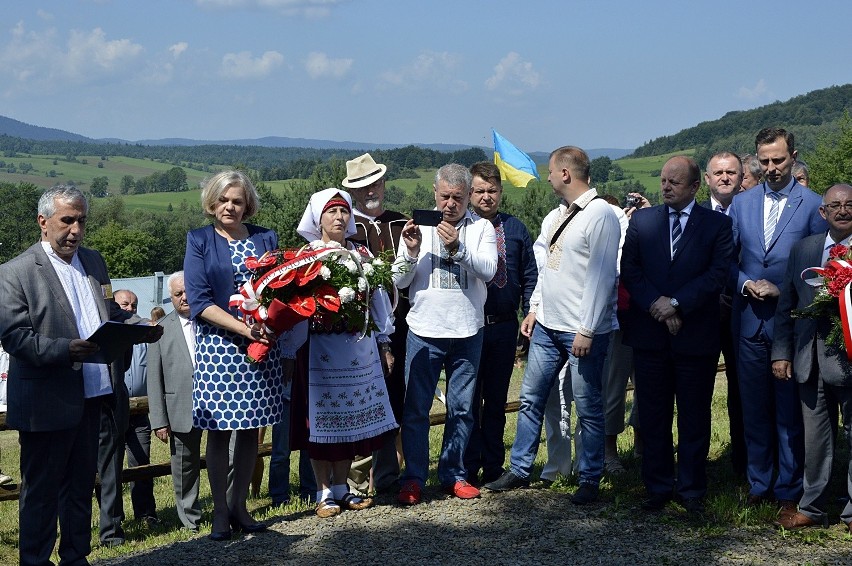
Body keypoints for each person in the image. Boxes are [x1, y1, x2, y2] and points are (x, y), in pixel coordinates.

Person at [0, 184, 161, 566]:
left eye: (81, 221)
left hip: (97, 396)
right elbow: (14, 337)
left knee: (79, 486)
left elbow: (110, 314)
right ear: (43, 222)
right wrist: (64, 349)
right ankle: (35, 561)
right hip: (47, 401)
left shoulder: (94, 261)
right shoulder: (15, 272)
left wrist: (139, 326)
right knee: (40, 491)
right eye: (66, 221)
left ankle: (76, 556)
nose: (75, 230)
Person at [485, 146, 620, 505]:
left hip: (581, 329)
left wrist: (588, 329)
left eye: (550, 171)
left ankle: (590, 476)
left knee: (589, 406)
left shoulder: (600, 215)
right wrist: (534, 308)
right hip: (547, 325)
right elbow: (547, 270)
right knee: (530, 398)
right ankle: (520, 468)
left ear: (565, 174)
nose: (546, 177)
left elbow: (603, 277)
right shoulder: (556, 215)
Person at [621, 156, 734, 514]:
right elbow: (630, 270)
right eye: (663, 180)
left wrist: (676, 304)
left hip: (695, 334)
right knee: (653, 415)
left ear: (695, 187)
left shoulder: (716, 226)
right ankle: (657, 487)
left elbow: (717, 274)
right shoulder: (642, 221)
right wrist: (657, 304)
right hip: (651, 336)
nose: (665, 187)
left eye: (674, 182)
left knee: (694, 416)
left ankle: (691, 490)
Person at [184, 170, 286, 540]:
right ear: (212, 202)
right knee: (219, 431)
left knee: (250, 430)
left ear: (247, 206)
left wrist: (271, 324)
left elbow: (280, 289)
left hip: (262, 347)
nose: (230, 206)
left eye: (237, 201)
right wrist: (244, 329)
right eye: (224, 200)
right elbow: (199, 301)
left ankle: (240, 504)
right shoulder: (199, 240)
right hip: (219, 348)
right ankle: (220, 512)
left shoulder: (265, 238)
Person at [729, 127, 827, 510]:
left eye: (779, 160)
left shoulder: (813, 204)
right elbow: (727, 260)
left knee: (789, 413)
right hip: (749, 320)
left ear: (793, 155)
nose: (771, 168)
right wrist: (744, 283)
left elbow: (821, 271)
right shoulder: (741, 204)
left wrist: (781, 291)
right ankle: (758, 483)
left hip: (791, 327)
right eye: (764, 161)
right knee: (753, 407)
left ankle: (789, 489)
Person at [393, 163, 497, 505]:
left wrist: (458, 249)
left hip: (468, 331)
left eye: (457, 197)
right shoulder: (418, 229)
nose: (450, 204)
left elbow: (489, 271)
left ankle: (454, 474)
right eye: (444, 197)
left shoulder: (481, 228)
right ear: (434, 194)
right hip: (424, 330)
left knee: (463, 408)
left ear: (468, 196)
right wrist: (409, 252)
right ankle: (414, 477)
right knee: (416, 409)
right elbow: (399, 281)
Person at [290, 188, 398, 517]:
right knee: (321, 423)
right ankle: (323, 492)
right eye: (331, 212)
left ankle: (342, 488)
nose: (339, 218)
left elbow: (378, 302)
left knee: (350, 420)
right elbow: (295, 307)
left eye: (343, 212)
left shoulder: (361, 253)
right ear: (317, 218)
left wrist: (384, 343)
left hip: (357, 349)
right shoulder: (307, 257)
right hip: (319, 350)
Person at [772, 183, 852, 533]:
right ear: (823, 213)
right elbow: (786, 305)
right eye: (835, 205)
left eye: (850, 204)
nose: (843, 210)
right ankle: (813, 508)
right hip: (808, 361)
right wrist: (781, 353)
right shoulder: (804, 249)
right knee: (816, 440)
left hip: (849, 361)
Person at [463, 161, 537, 485]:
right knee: (467, 399)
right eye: (479, 190)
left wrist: (530, 311)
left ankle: (493, 465)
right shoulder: (460, 228)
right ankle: (466, 467)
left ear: (501, 192)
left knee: (495, 400)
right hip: (470, 325)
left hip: (505, 326)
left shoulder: (517, 229)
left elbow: (530, 275)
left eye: (492, 190)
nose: (486, 196)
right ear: (469, 193)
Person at [342, 152, 410, 493]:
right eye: (362, 186)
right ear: (353, 192)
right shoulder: (346, 229)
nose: (371, 190)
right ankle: (355, 481)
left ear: (383, 184)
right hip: (362, 329)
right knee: (363, 399)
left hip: (406, 324)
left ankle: (389, 476)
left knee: (398, 397)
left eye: (375, 183)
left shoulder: (402, 223)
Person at [147, 272, 204, 531]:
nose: (184, 297)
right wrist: (159, 420)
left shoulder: (211, 321)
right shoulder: (160, 331)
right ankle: (190, 517)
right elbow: (154, 378)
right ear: (170, 298)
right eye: (177, 294)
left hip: (216, 405)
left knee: (226, 459)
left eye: (187, 291)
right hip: (180, 408)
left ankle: (228, 509)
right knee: (185, 466)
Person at [702, 152, 747, 476]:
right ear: (707, 178)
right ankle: (698, 466)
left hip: (743, 312)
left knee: (741, 390)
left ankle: (742, 463)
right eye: (718, 172)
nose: (725, 177)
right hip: (701, 315)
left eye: (731, 172)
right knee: (697, 391)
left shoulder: (751, 213)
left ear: (741, 177)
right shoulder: (695, 217)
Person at [116, 290, 159, 525]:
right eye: (125, 304)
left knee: (142, 467)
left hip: (141, 416)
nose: (130, 309)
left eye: (134, 305)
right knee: (110, 469)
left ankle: (146, 514)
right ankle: (114, 519)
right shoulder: (109, 337)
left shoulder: (143, 339)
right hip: (112, 414)